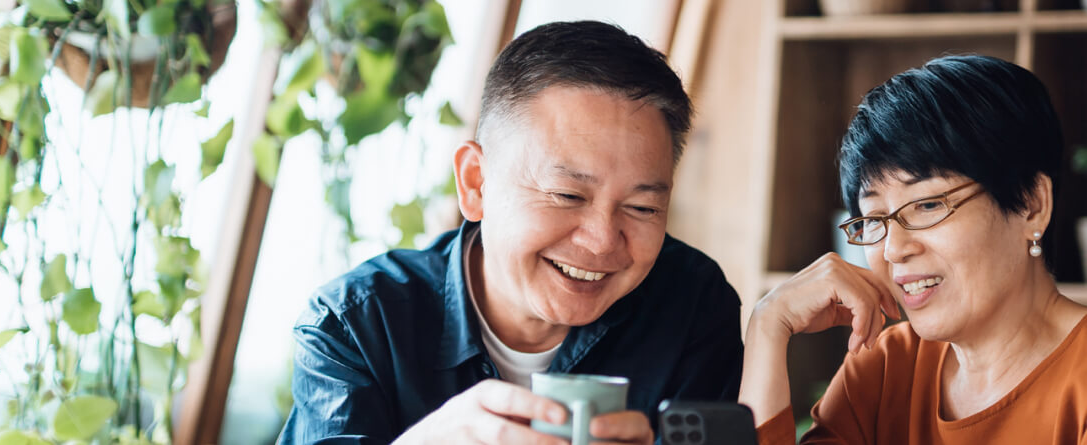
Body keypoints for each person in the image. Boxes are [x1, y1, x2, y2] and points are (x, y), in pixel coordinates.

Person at [279, 21, 744, 445]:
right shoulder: (355, 325)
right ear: (476, 183)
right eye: (567, 195)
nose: (603, 240)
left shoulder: (693, 306)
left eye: (642, 207)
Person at [740, 54, 1087, 444]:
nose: (893, 250)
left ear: (1031, 205)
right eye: (874, 218)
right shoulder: (885, 368)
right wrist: (767, 326)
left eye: (928, 205)